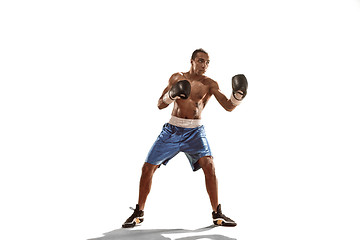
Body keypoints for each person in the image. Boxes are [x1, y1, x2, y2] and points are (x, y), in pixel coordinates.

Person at [122, 48, 247, 228]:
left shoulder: (210, 84)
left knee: (209, 166)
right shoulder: (177, 78)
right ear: (192, 61)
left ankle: (217, 213)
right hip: (172, 130)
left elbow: (228, 106)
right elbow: (159, 104)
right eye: (201, 61)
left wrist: (237, 97)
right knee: (148, 167)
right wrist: (171, 95)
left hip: (195, 132)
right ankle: (138, 213)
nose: (204, 65)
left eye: (207, 62)